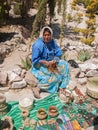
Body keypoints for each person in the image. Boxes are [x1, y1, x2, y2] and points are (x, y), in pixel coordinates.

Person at [31, 26, 70, 98]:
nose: (46, 37)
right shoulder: (38, 45)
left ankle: (62, 87)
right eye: (45, 35)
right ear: (42, 35)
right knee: (55, 77)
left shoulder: (52, 42)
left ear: (51, 35)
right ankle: (38, 88)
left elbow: (58, 52)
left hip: (51, 62)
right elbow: (34, 60)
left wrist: (55, 60)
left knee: (65, 64)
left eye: (48, 35)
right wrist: (46, 62)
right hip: (40, 65)